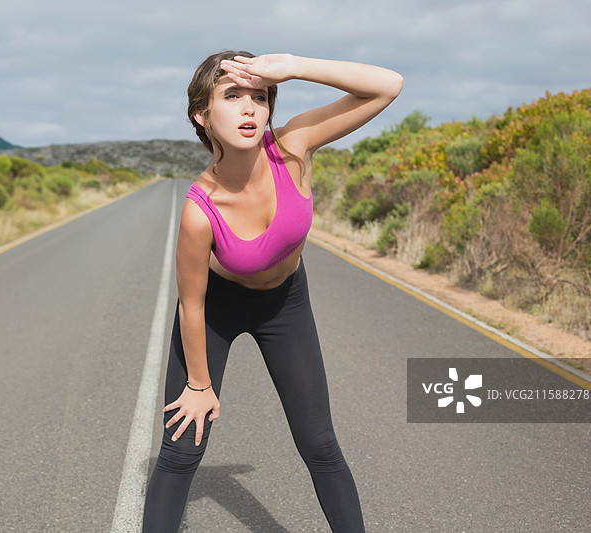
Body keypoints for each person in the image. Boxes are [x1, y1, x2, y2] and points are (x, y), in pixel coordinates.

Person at [142, 50, 402, 532]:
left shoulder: (293, 147)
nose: (248, 109)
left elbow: (388, 85)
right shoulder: (200, 209)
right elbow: (191, 304)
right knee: (182, 449)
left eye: (259, 98)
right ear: (202, 115)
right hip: (216, 308)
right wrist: (199, 386)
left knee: (320, 445)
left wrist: (295, 66)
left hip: (285, 303)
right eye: (232, 95)